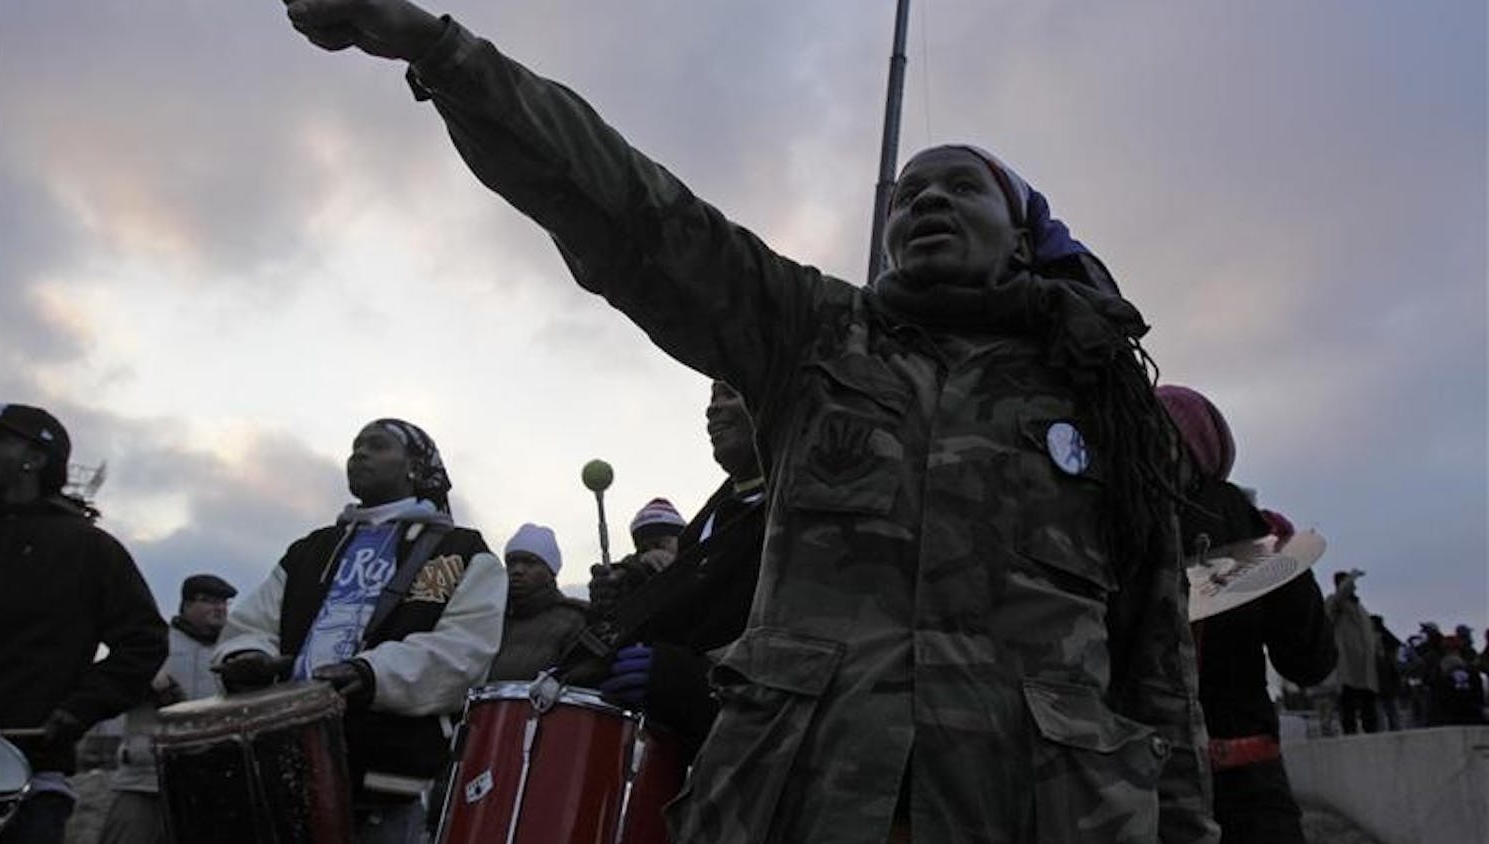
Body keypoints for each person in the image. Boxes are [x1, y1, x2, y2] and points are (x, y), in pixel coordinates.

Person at [280, 6, 1216, 841]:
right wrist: (439, 50)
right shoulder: (814, 338)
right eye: (909, 194)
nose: (928, 200)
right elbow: (634, 211)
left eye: (963, 188)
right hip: (801, 802)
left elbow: (1155, 662)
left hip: (1041, 811)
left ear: (1021, 237)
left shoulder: (1103, 406)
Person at [212, 418, 505, 843]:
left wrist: (370, 674)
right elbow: (252, 624)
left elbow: (464, 651)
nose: (359, 454)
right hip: (283, 771)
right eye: (355, 446)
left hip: (386, 782)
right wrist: (244, 658)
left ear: (416, 468)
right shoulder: (310, 550)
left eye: (377, 445)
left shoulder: (461, 552)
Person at [1156, 385, 1335, 844]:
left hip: (1139, 787)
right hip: (1248, 785)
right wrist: (1291, 567)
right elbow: (1308, 663)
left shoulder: (1108, 531)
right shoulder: (1261, 538)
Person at [0, 404, 167, 843]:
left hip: (23, 777)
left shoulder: (89, 549)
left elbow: (143, 642)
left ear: (34, 460)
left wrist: (76, 710)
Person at [595, 381, 768, 756]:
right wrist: (625, 605)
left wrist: (692, 684)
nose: (712, 409)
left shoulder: (796, 512)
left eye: (729, 393)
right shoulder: (703, 528)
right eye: (710, 398)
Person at [101, 574, 237, 844]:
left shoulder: (234, 651)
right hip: (146, 779)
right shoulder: (153, 645)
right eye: (209, 601)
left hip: (210, 783)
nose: (219, 608)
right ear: (186, 605)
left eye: (223, 602)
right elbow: (114, 689)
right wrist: (146, 685)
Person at [485, 522, 587, 681]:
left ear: (550, 571)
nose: (517, 570)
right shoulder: (490, 619)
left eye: (530, 562)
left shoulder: (575, 620)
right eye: (511, 563)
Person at [1326, 569, 1381, 734]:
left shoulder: (1360, 608)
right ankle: (1350, 732)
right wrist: (1351, 578)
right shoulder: (1335, 603)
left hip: (1366, 664)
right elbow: (1340, 596)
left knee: (1368, 703)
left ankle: (1372, 730)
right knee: (1348, 701)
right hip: (1348, 663)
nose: (1353, 588)